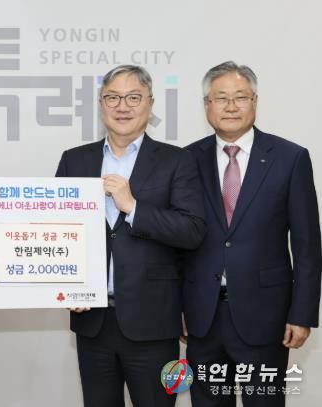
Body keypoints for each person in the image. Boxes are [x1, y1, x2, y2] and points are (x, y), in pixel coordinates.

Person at [55, 64, 205, 407]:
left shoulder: (177, 160)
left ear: (150, 104)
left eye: (133, 97)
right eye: (113, 98)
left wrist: (133, 207)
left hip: (153, 323)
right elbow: (57, 232)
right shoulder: (75, 161)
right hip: (92, 320)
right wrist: (65, 284)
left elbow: (192, 230)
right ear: (101, 104)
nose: (122, 106)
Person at [184, 61, 322, 406]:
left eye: (241, 97)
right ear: (207, 105)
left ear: (255, 102)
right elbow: (176, 242)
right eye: (221, 98)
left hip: (266, 316)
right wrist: (176, 308)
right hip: (202, 317)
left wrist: (302, 313)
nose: (231, 106)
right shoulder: (186, 160)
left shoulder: (290, 158)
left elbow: (307, 245)